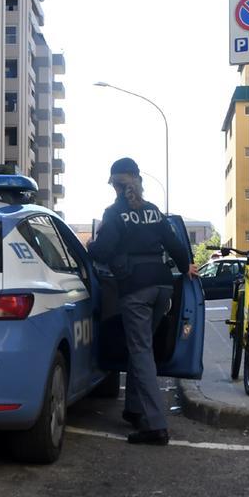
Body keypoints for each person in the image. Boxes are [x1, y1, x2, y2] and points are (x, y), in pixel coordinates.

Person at [88, 157, 197, 446]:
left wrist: (90, 245)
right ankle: (135, 409)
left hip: (135, 289)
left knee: (140, 352)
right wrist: (186, 266)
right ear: (137, 180)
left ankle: (155, 425)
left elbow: (102, 252)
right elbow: (175, 245)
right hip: (163, 286)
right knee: (142, 348)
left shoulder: (114, 213)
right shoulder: (153, 211)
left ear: (114, 185)